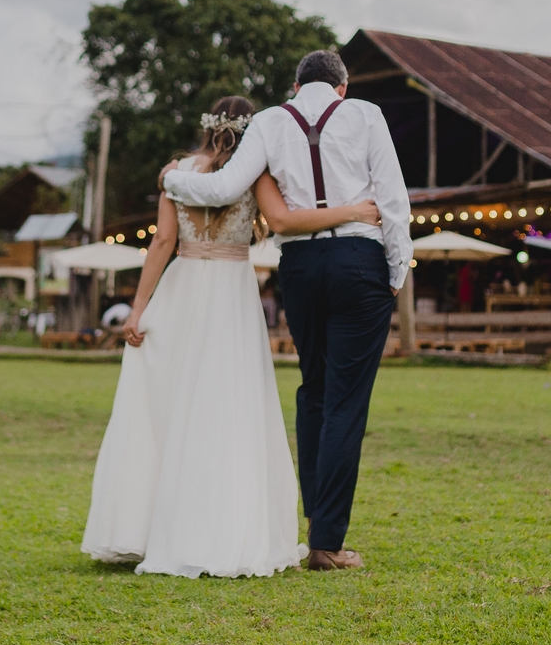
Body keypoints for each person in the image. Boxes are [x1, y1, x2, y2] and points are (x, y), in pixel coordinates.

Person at [82, 94, 384, 578]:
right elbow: (283, 221)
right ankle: (220, 528)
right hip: (229, 292)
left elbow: (162, 241)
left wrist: (138, 308)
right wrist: (356, 212)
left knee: (170, 404)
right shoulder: (255, 175)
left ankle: (147, 528)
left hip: (181, 287)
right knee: (228, 405)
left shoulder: (178, 170)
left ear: (206, 125)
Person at [155, 50, 413, 572]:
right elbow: (393, 200)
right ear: (343, 86)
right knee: (346, 401)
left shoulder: (272, 121)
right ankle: (327, 542)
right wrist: (394, 272)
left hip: (298, 267)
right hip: (358, 262)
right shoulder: (365, 115)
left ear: (296, 86)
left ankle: (319, 528)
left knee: (313, 390)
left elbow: (224, 188)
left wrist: (171, 180)